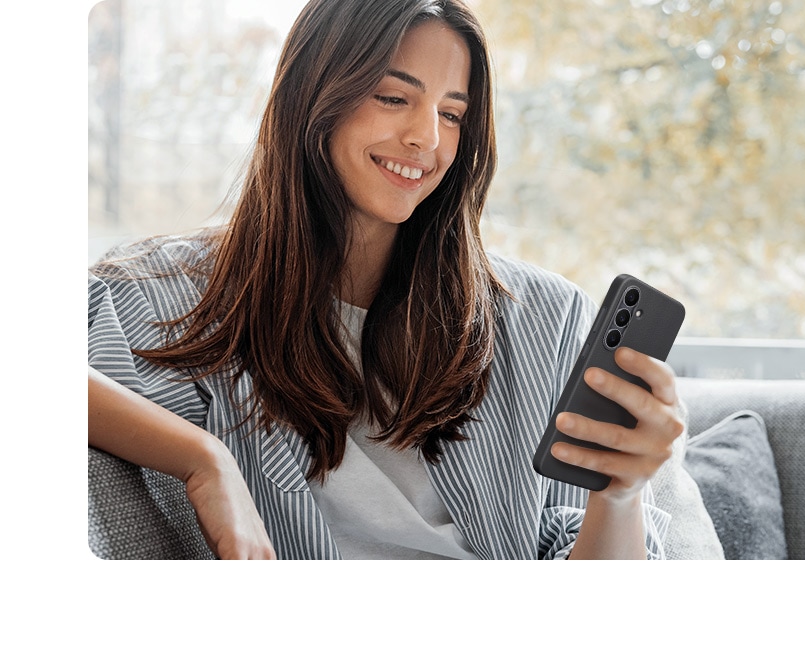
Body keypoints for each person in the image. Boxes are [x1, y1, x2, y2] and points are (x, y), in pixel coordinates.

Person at [87, 0, 682, 559]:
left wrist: (620, 494)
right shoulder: (167, 296)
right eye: (394, 98)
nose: (428, 138)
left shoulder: (544, 319)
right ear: (312, 96)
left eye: (452, 114)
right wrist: (203, 458)